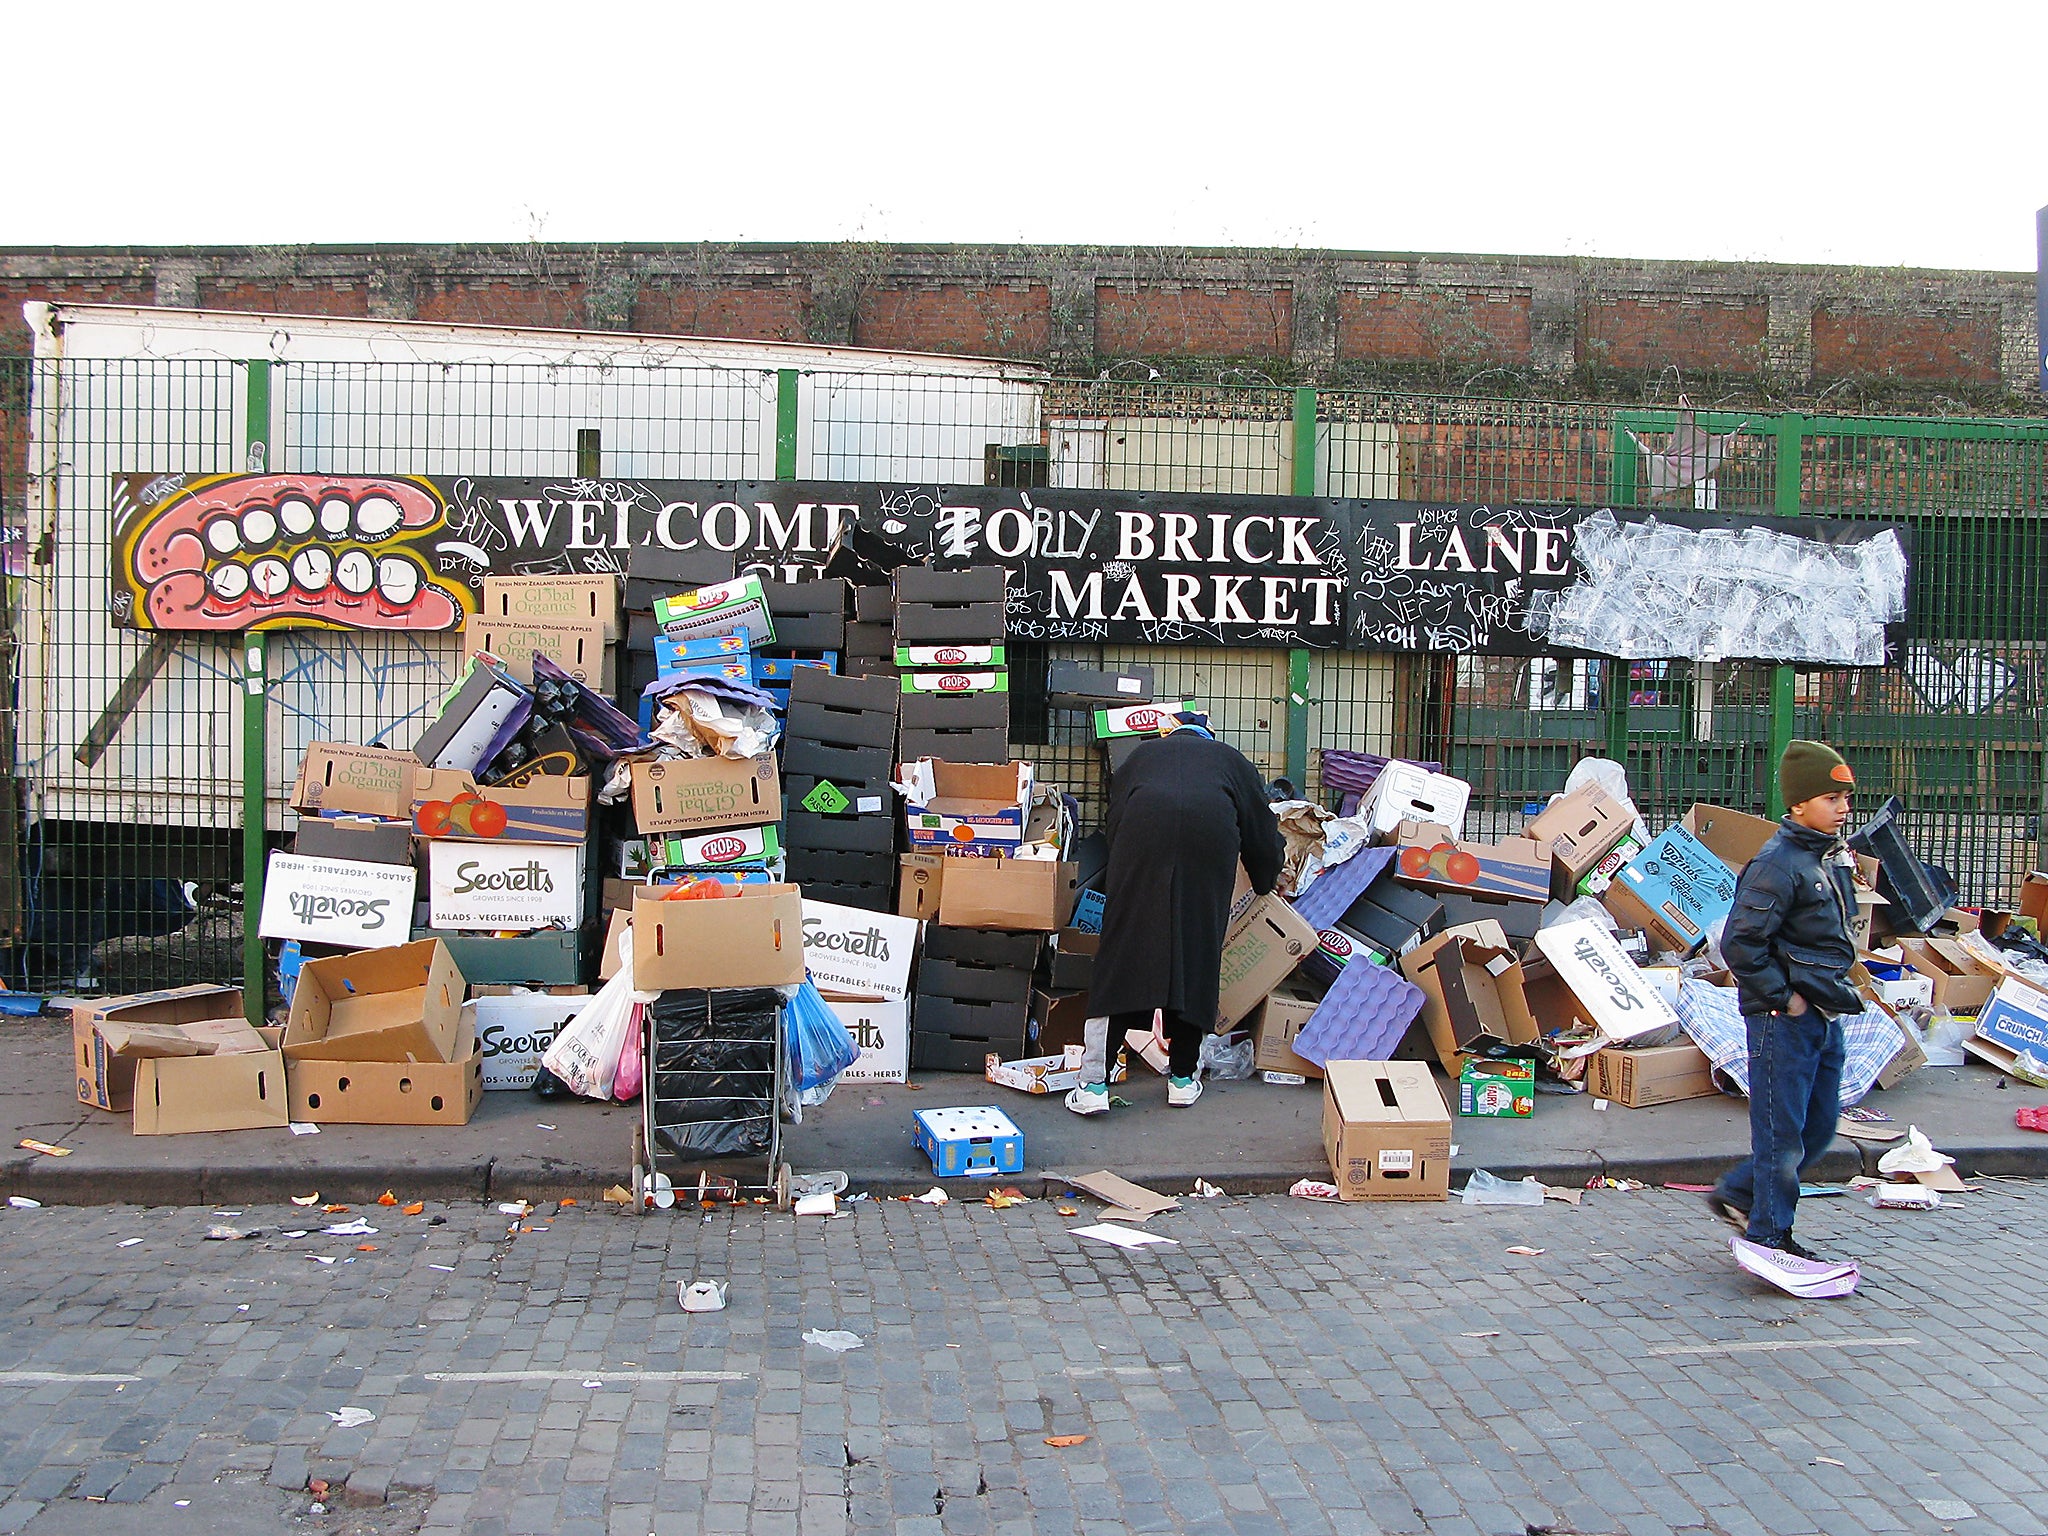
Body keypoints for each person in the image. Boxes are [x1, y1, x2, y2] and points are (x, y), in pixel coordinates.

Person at [1066, 711, 1285, 1115]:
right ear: (1209, 734)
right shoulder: (1231, 760)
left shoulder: (1141, 758)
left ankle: (1094, 1084)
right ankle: (1183, 1078)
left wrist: (1128, 871)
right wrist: (1265, 880)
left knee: (1125, 953)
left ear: (1168, 734)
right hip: (1209, 850)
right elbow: (1262, 832)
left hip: (1142, 845)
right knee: (1195, 953)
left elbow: (1116, 824)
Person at [1709, 740, 1864, 1263]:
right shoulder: (1778, 863)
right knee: (1783, 1137)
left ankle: (1739, 1192)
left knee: (1816, 1129)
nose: (1844, 807)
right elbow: (1740, 944)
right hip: (1785, 1018)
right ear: (1799, 803)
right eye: (1831, 797)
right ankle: (1770, 1236)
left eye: (1845, 797)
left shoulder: (1822, 857)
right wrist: (1785, 999)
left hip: (1822, 1011)